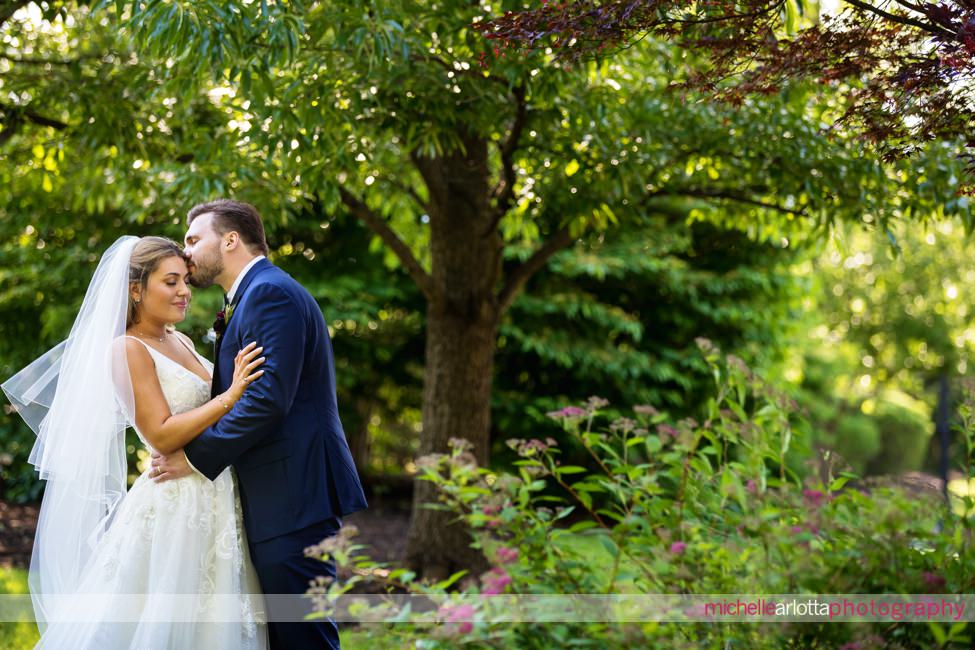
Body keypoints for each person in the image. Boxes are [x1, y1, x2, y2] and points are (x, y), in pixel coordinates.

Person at [2, 235, 269, 648]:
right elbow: (159, 433)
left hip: (214, 492)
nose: (184, 292)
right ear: (135, 289)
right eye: (171, 282)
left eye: (185, 281)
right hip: (174, 504)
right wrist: (229, 396)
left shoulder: (179, 340)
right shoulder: (127, 348)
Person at [149, 199, 368, 649]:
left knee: (305, 637)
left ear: (230, 240)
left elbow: (268, 402)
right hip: (277, 496)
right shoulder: (249, 298)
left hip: (294, 495)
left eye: (194, 239)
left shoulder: (271, 294)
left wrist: (193, 457)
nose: (186, 252)